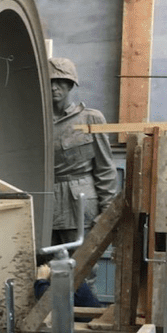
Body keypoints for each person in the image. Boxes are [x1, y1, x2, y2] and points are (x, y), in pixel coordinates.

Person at [50, 56, 118, 248]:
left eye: (60, 81)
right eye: (50, 82)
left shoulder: (91, 119)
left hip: (80, 205)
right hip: (45, 203)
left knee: (81, 266)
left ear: (71, 84)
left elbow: (105, 168)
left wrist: (106, 210)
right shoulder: (36, 122)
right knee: (43, 267)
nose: (55, 87)